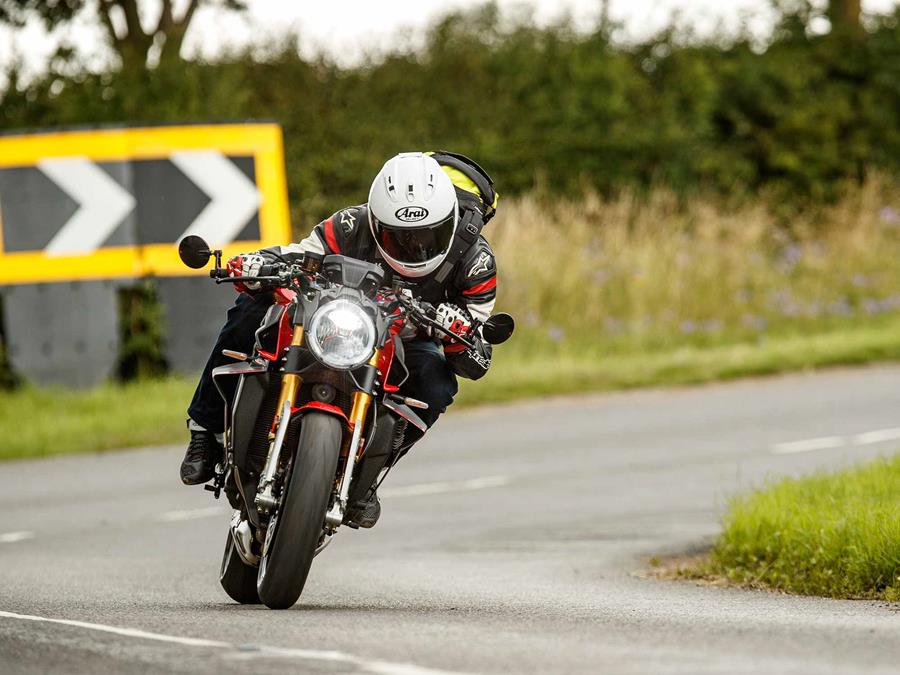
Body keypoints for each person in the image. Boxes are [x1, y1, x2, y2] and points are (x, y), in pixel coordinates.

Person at [180, 151, 500, 528]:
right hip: (333, 318)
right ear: (376, 221)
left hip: (406, 338)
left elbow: (477, 344)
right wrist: (256, 263)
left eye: (429, 236)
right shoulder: (351, 223)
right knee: (250, 307)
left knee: (438, 378)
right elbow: (303, 254)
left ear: (451, 221)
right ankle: (204, 430)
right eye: (401, 238)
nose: (417, 248)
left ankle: (367, 478)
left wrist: (458, 330)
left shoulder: (476, 262)